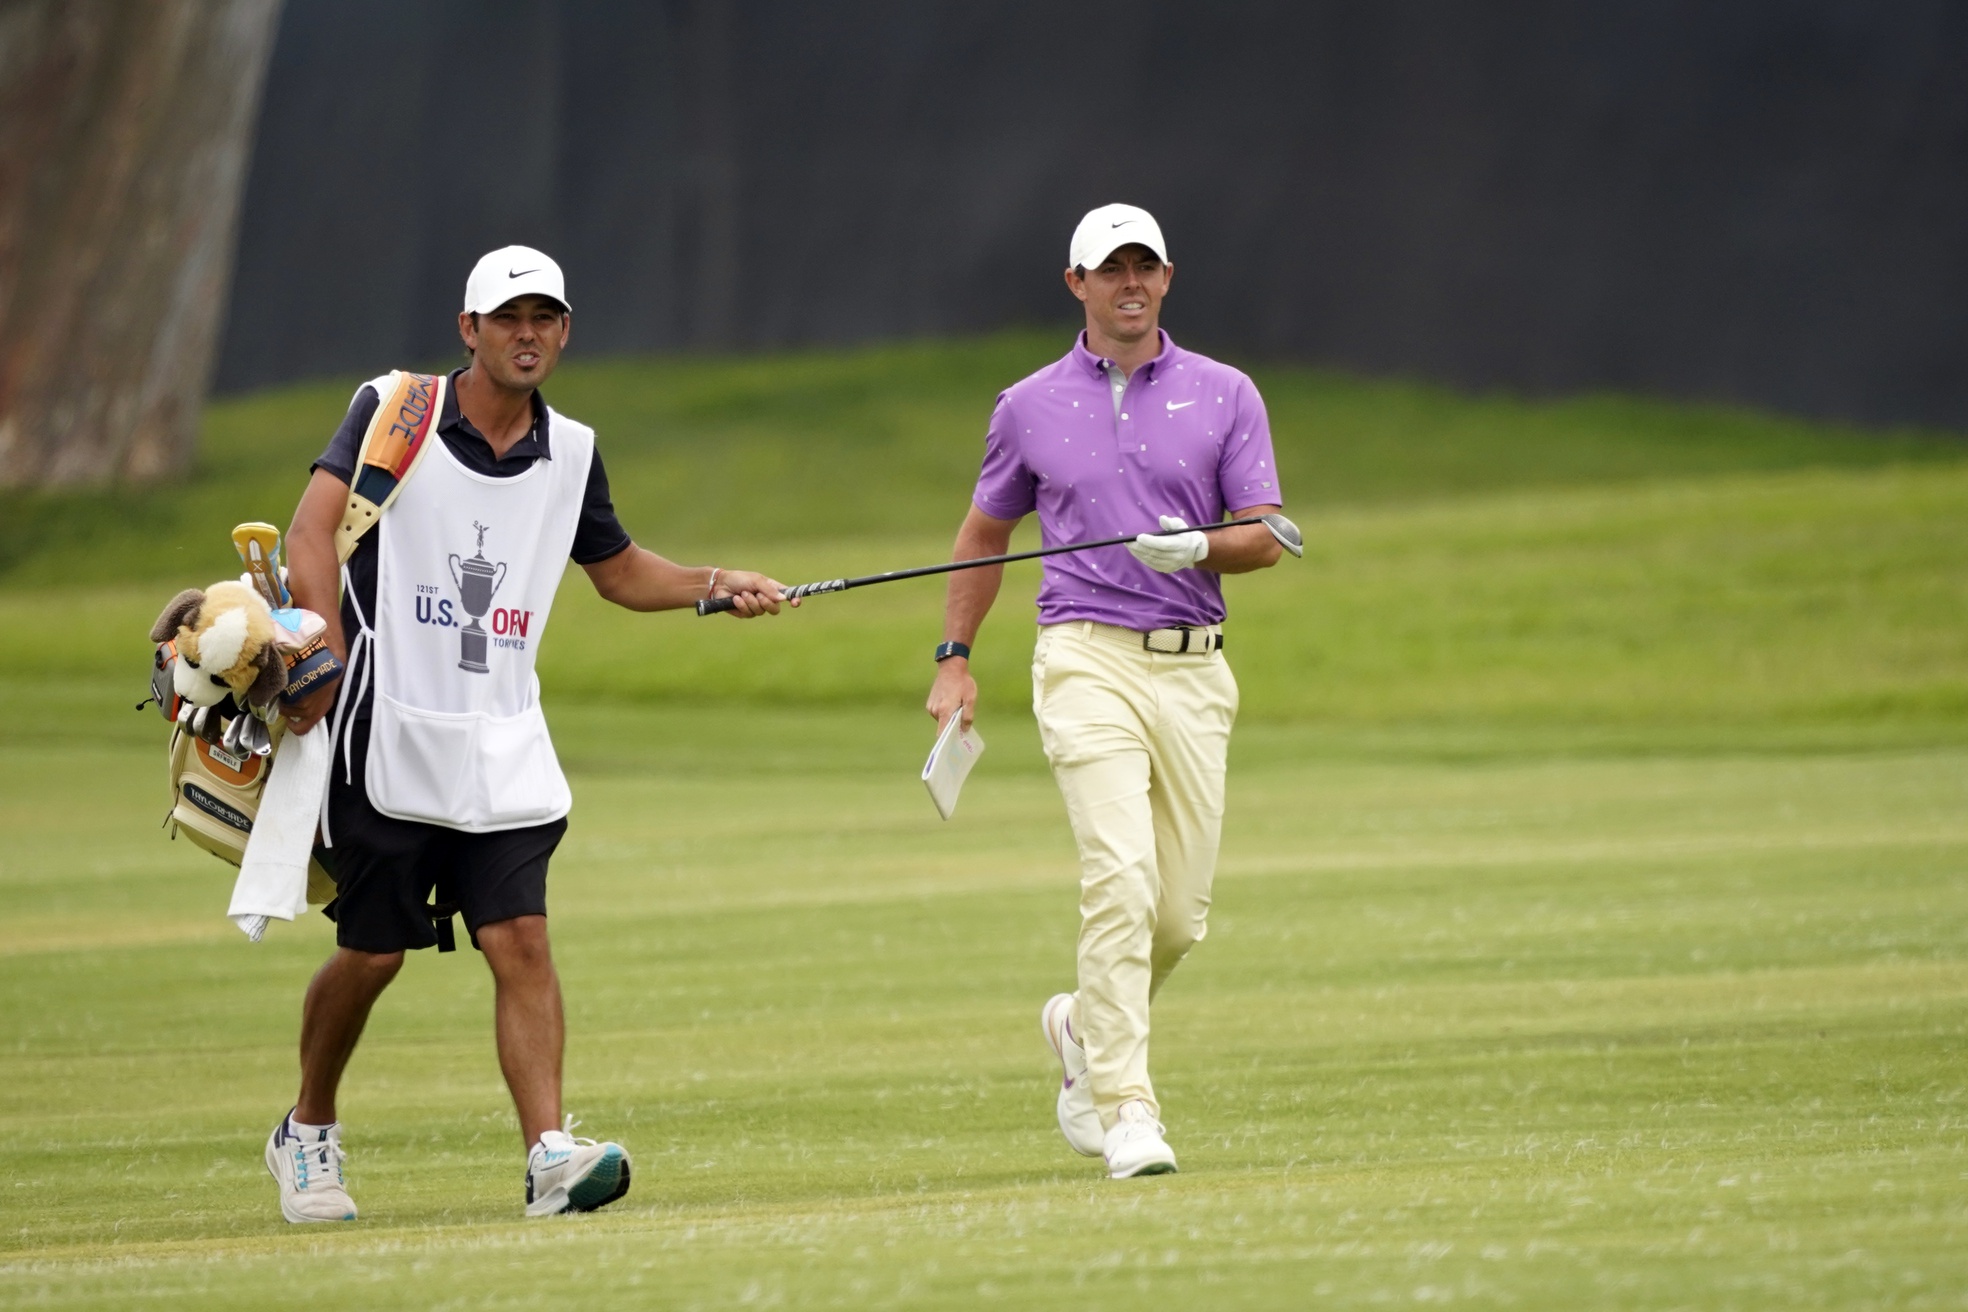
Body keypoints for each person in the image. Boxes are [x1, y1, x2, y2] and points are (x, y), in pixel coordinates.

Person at [267, 246, 790, 1222]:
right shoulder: (396, 409)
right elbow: (310, 533)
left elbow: (619, 569)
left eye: (545, 317)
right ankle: (307, 1129)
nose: (528, 333)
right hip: (382, 733)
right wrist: (319, 654)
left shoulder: (573, 451)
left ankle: (549, 1153)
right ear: (469, 329)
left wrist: (717, 584)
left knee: (522, 941)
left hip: (500, 740)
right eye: (508, 317)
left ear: (565, 329)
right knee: (374, 953)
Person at [925, 205, 1286, 1178]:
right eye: (1109, 268)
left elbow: (1266, 531)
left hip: (1196, 665)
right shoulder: (1027, 404)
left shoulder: (1225, 392)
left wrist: (1203, 545)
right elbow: (985, 534)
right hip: (1084, 656)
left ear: (1167, 277)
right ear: (1075, 283)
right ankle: (1126, 1107)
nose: (1130, 282)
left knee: (1177, 917)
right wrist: (953, 656)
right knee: (1119, 882)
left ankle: (1084, 1026)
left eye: (1145, 266)